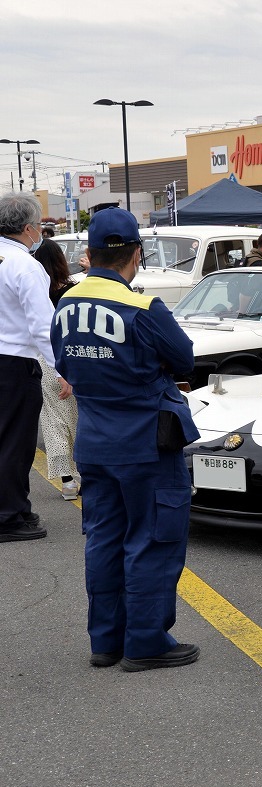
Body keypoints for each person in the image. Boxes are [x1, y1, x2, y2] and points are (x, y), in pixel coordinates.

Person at [51, 207, 201, 672]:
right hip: (146, 444)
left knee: (103, 540)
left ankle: (106, 641)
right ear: (136, 253)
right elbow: (184, 359)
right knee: (153, 539)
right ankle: (146, 642)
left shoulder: (65, 306)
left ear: (88, 255)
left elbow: (65, 365)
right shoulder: (142, 307)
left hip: (95, 443)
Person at [0, 192, 68, 542]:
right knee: (16, 441)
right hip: (14, 362)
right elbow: (44, 327)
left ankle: (15, 508)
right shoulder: (25, 265)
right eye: (39, 226)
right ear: (28, 228)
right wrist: (63, 369)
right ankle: (9, 516)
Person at [32, 240, 81, 499]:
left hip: (44, 361)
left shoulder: (36, 292)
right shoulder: (73, 291)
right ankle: (83, 473)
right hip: (71, 360)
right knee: (77, 420)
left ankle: (67, 482)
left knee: (53, 423)